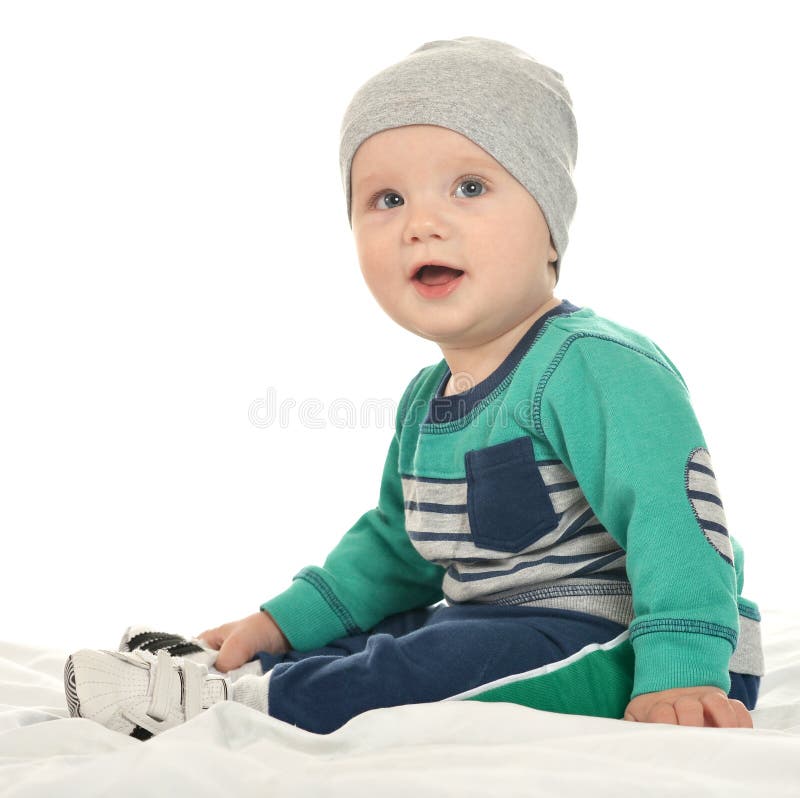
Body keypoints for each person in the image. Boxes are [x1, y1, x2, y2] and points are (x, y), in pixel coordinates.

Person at [64, 36, 765, 739]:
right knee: (404, 632)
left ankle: (235, 709)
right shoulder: (427, 399)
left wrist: (683, 671)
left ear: (550, 228)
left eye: (470, 188)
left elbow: (678, 524)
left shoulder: (595, 367)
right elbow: (397, 550)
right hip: (498, 620)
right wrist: (283, 622)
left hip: (632, 637)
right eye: (388, 199)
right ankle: (238, 668)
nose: (421, 224)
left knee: (435, 662)